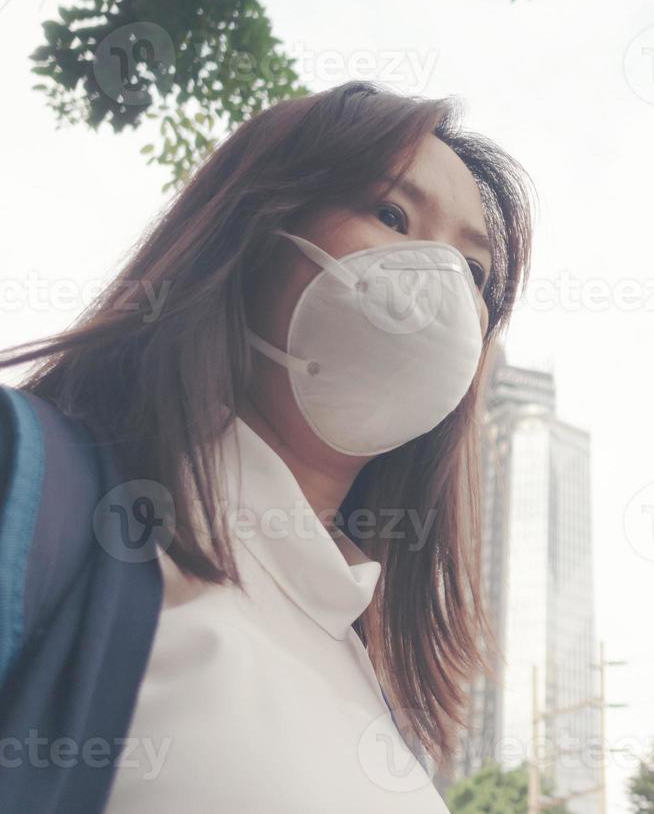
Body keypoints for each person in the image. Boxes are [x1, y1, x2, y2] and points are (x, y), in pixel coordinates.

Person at [0, 82, 533, 813]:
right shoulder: (39, 502)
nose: (440, 280)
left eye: (473, 272)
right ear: (256, 231)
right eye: (391, 214)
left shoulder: (371, 678)